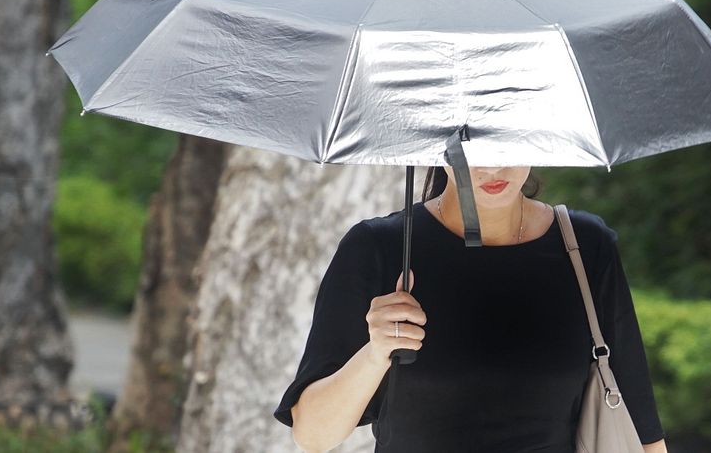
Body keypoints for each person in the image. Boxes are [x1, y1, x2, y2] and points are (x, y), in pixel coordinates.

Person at [274, 165, 668, 453]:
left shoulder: (585, 246)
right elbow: (312, 434)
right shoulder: (378, 247)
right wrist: (375, 353)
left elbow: (639, 422)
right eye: (472, 145)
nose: (493, 165)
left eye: (509, 141)